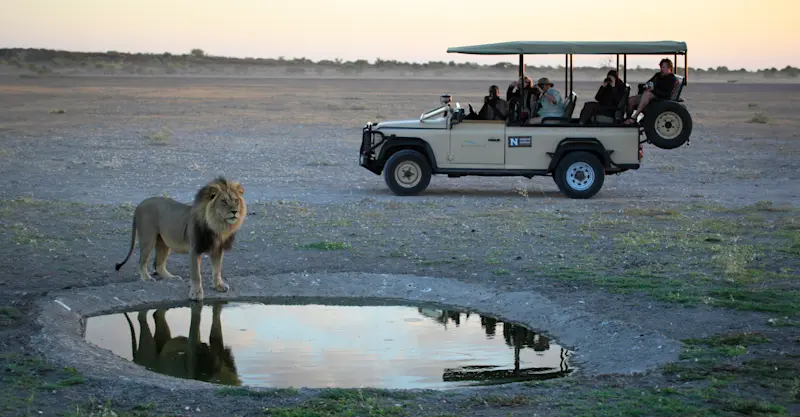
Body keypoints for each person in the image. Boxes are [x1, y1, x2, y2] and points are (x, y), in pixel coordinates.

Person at [624, 58, 677, 124]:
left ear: (669, 68)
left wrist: (653, 90)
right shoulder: (658, 75)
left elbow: (667, 94)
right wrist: (646, 86)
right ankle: (629, 119)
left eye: (663, 67)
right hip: (651, 95)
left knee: (647, 94)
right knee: (631, 100)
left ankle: (634, 116)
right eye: (661, 67)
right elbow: (649, 82)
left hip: (661, 98)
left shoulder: (671, 79)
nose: (661, 69)